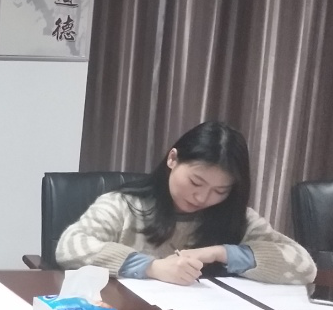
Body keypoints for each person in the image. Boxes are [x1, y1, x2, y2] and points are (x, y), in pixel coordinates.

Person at [56, 121, 316, 285]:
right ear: (172, 159)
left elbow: (304, 267)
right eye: (195, 182)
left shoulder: (238, 218)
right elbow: (70, 247)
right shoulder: (124, 205)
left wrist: (221, 252)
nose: (202, 198)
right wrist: (151, 267)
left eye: (220, 190)